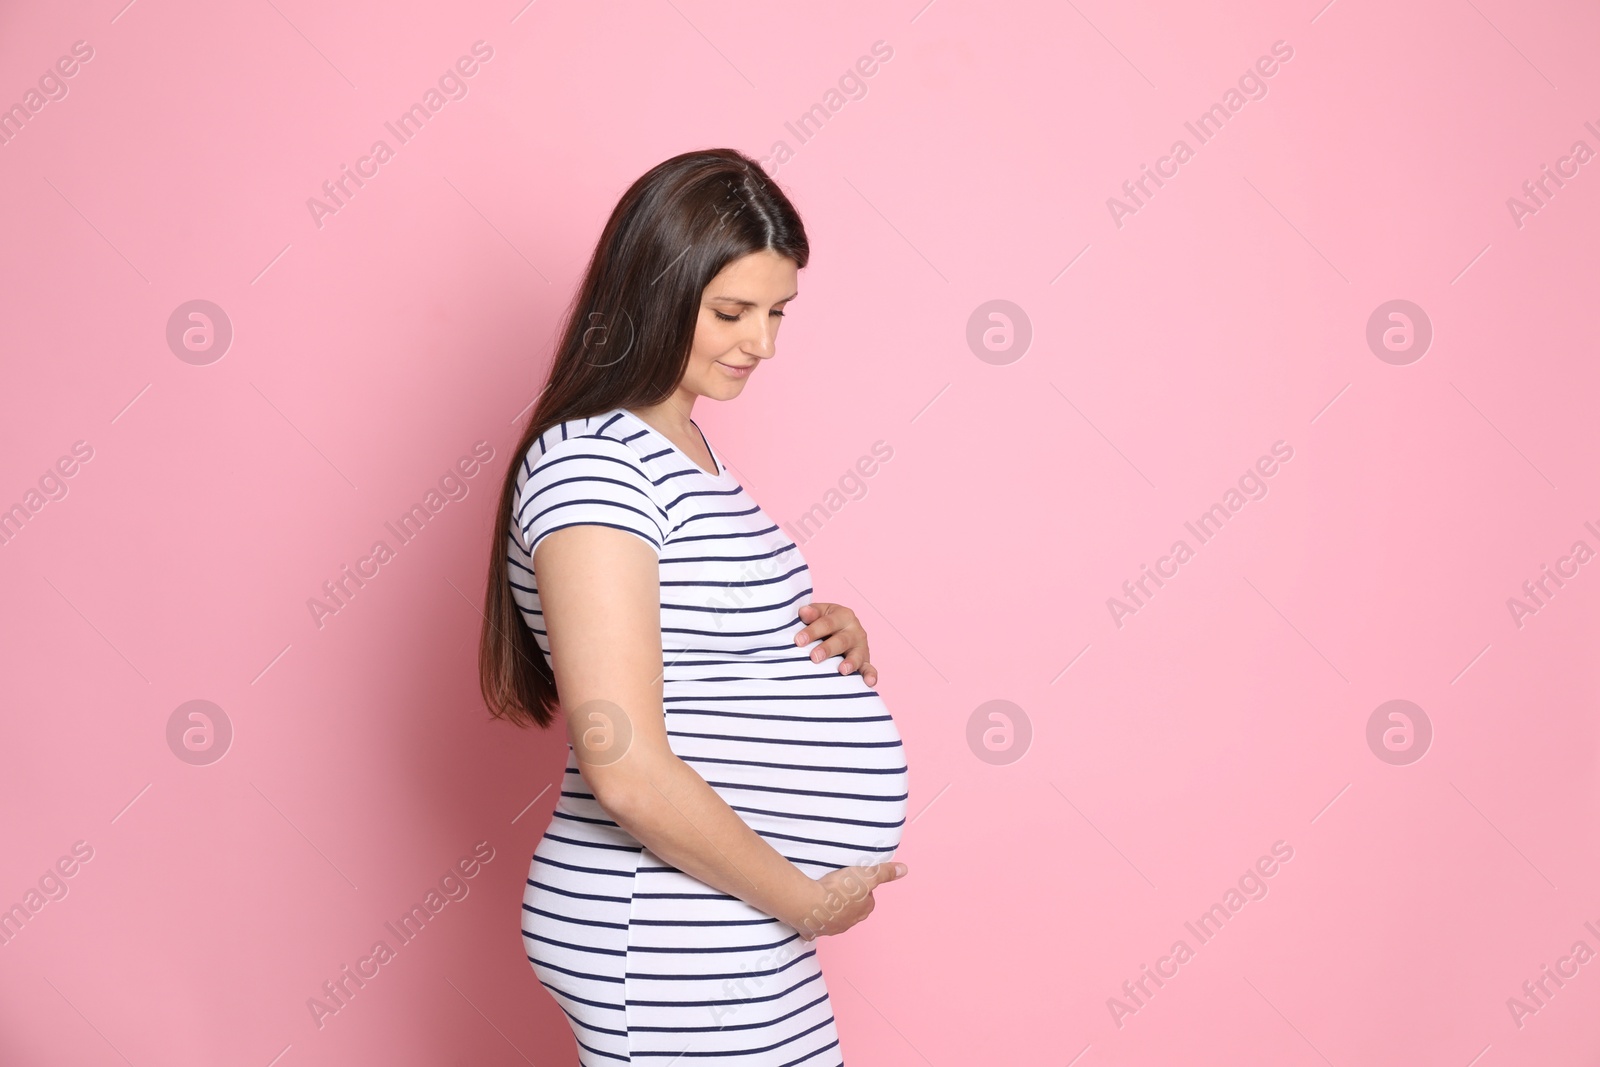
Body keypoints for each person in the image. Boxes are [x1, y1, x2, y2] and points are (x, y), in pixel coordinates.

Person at [477, 148, 909, 1065]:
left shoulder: (680, 449)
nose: (764, 343)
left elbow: (695, 639)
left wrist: (815, 634)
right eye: (732, 312)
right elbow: (622, 761)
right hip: (664, 920)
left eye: (778, 313)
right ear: (654, 292)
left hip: (724, 915)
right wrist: (807, 899)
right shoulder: (594, 465)